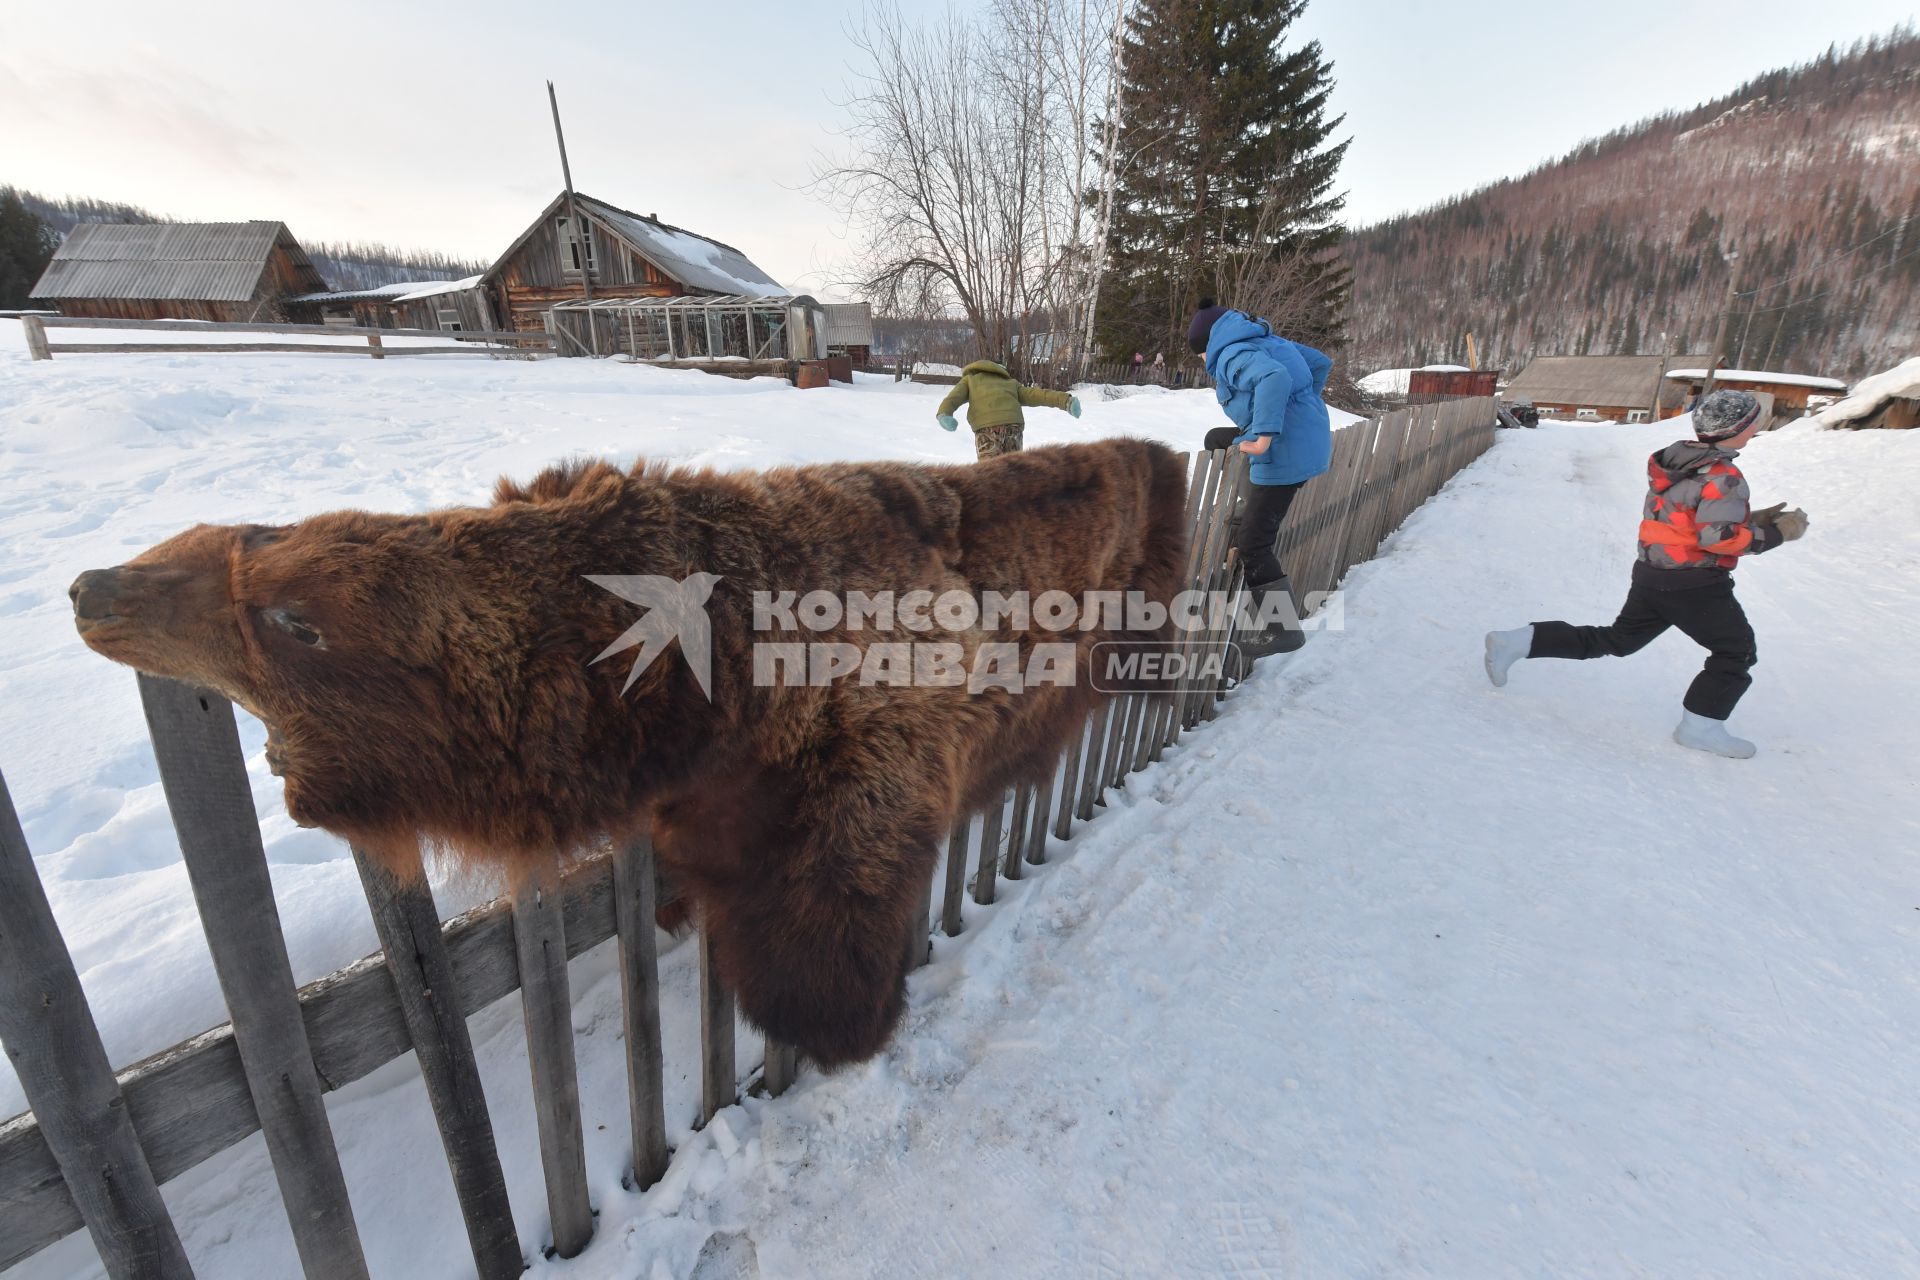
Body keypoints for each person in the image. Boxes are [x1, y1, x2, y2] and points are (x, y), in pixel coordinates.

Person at [1483, 389, 1808, 758]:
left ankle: (1518, 641)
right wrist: (1779, 533)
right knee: (1735, 651)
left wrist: (1747, 518)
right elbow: (1717, 538)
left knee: (1620, 640)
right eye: (1753, 422)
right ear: (1738, 428)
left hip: (1654, 574)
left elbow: (1686, 517)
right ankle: (1701, 727)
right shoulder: (1724, 475)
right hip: (1694, 582)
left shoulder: (1678, 462)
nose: (1755, 428)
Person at [1188, 298, 1334, 659]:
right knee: (1217, 440)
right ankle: (1246, 501)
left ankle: (1284, 630)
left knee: (1253, 543)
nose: (1203, 362)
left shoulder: (1230, 354)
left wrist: (1267, 431)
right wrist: (1301, 409)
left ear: (1209, 344)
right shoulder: (1265, 340)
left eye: (1200, 354)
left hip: (1285, 452)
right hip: (1303, 440)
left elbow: (1274, 377)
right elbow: (1319, 362)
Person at [935, 360, 1082, 460]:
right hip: (1013, 427)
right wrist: (1066, 400)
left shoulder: (970, 380)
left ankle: (994, 503)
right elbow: (1037, 394)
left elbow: (953, 398)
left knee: (989, 471)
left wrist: (944, 414)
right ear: (1000, 370)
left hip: (987, 428)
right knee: (1014, 469)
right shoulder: (1010, 383)